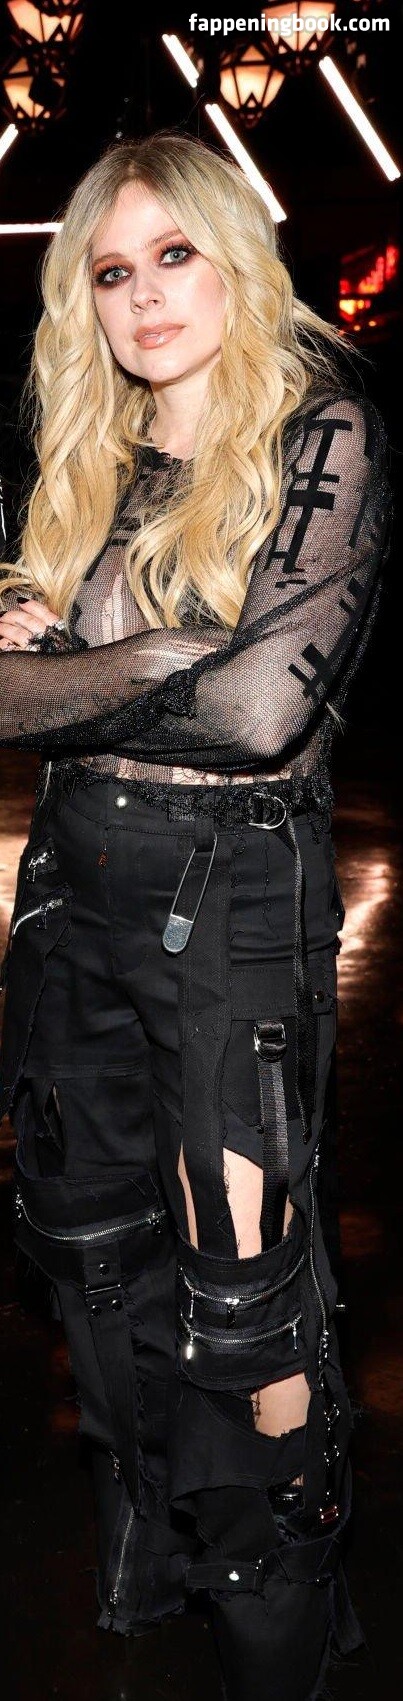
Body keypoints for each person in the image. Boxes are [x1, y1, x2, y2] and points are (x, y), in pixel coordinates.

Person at [0, 129, 394, 1701]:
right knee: (94, 1263)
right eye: (113, 269)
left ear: (236, 257)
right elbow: (50, 688)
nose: (147, 294)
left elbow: (255, 716)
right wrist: (160, 661)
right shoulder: (88, 453)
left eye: (176, 255)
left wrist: (70, 679)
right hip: (71, 900)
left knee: (246, 1311)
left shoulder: (324, 433)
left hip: (230, 916)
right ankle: (155, 1560)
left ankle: (273, 1620)